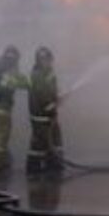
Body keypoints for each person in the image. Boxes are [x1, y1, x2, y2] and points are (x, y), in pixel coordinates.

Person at [26, 46, 63, 175]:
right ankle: (33, 168)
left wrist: (57, 98)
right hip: (40, 115)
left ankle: (54, 164)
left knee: (54, 140)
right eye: (43, 59)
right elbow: (41, 93)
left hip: (50, 114)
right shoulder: (37, 75)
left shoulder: (49, 73)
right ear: (38, 61)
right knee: (39, 142)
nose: (46, 62)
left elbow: (51, 90)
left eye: (48, 59)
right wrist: (50, 104)